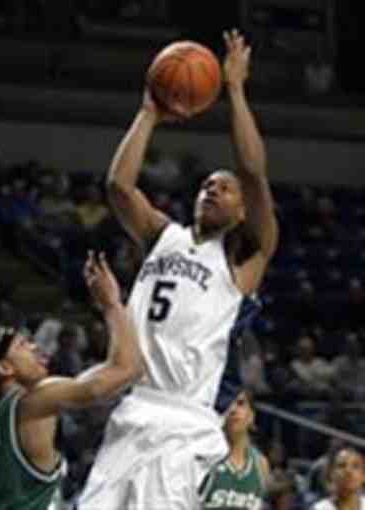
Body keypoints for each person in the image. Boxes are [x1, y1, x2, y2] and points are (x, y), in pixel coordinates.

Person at [76, 28, 279, 510]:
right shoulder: (164, 235)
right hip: (133, 407)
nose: (212, 189)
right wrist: (148, 112)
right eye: (207, 184)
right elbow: (119, 188)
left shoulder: (244, 257)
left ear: (244, 210)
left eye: (224, 188)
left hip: (184, 420)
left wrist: (234, 89)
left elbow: (253, 172)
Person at [0, 252, 143, 510]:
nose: (35, 347)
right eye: (23, 345)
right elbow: (126, 369)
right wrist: (112, 304)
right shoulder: (32, 403)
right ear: (4, 367)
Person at [201, 391, 269, 510]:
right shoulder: (206, 457)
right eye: (227, 404)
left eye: (240, 403)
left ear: (251, 416)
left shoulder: (260, 463)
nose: (233, 409)